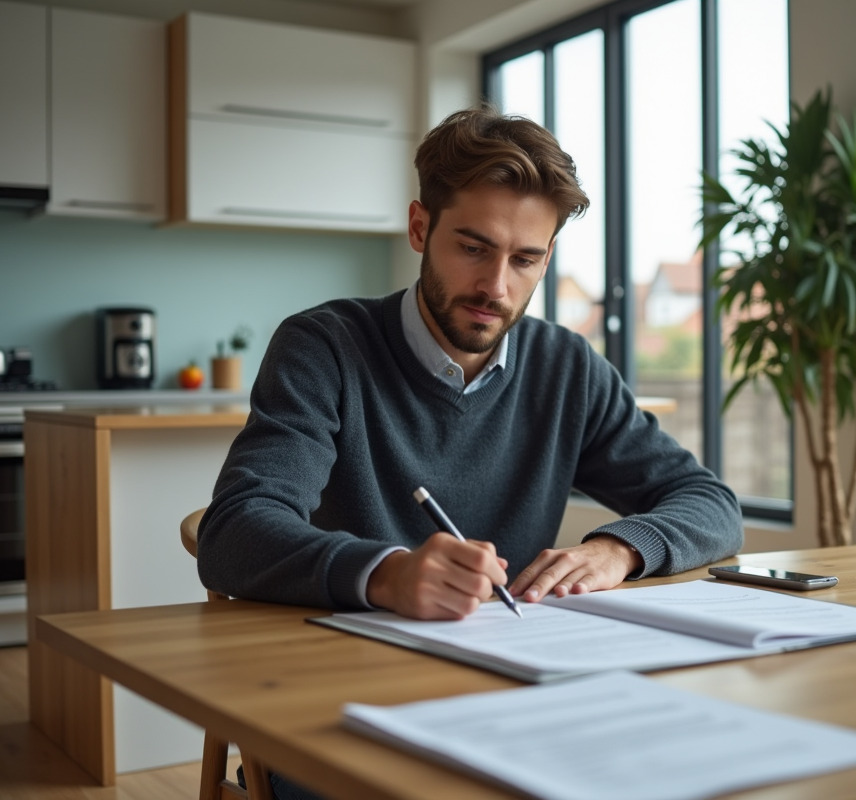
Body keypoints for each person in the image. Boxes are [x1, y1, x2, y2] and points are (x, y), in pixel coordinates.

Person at [197, 106, 743, 625]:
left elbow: (711, 504)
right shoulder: (324, 348)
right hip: (350, 663)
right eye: (474, 249)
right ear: (419, 228)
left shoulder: (567, 368)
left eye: (524, 259)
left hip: (512, 661)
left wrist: (621, 549)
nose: (496, 287)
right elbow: (233, 532)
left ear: (546, 260)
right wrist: (388, 574)